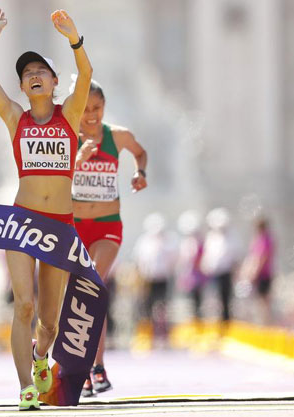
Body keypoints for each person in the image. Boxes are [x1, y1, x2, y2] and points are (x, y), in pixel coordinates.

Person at [0, 8, 92, 411]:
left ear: (55, 82)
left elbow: (87, 75)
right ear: (23, 87)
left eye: (42, 70)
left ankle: (42, 358)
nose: (34, 75)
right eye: (27, 73)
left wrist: (74, 38)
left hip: (59, 226)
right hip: (21, 223)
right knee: (22, 305)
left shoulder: (70, 116)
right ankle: (26, 386)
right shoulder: (14, 118)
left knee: (50, 321)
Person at [71, 77, 147, 397]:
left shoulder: (118, 135)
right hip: (74, 227)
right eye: (85, 109)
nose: (91, 115)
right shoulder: (67, 138)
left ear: (105, 106)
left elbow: (140, 153)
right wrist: (78, 161)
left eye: (97, 108)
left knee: (93, 285)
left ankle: (94, 364)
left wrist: (139, 173)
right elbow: (52, 180)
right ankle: (86, 367)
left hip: (106, 226)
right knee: (78, 295)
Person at [131, 213, 176, 350]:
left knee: (162, 307)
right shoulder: (143, 241)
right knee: (146, 307)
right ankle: (146, 335)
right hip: (147, 279)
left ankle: (163, 335)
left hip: (162, 278)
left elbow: (173, 259)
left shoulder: (169, 240)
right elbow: (138, 260)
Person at [200, 208, 239, 332]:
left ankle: (226, 326)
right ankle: (214, 327)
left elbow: (235, 256)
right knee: (212, 301)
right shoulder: (211, 237)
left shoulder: (231, 237)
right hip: (212, 274)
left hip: (225, 273)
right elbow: (208, 255)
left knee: (226, 299)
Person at [242, 216, 275, 324]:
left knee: (264, 300)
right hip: (259, 273)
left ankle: (266, 322)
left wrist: (255, 272)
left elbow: (262, 258)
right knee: (259, 299)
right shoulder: (259, 240)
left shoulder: (265, 240)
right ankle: (262, 322)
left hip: (263, 273)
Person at [175, 210, 206, 323]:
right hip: (188, 275)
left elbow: (198, 259)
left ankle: (198, 319)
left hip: (195, 275)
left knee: (196, 298)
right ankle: (193, 319)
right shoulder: (187, 242)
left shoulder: (198, 242)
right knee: (189, 298)